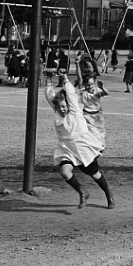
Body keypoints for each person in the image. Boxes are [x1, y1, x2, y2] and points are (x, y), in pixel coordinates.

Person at [45, 75, 114, 209]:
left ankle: (108, 194)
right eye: (59, 107)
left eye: (64, 106)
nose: (62, 109)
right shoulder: (58, 112)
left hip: (82, 146)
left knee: (94, 174)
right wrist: (48, 81)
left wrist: (65, 78)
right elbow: (50, 96)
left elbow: (70, 93)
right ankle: (82, 192)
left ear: (69, 104)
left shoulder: (75, 110)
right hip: (66, 149)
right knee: (65, 172)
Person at [77, 74, 109, 146]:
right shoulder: (83, 91)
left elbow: (106, 93)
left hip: (98, 116)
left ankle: (101, 147)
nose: (90, 86)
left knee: (101, 132)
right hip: (87, 116)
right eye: (88, 85)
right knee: (90, 134)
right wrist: (77, 64)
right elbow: (79, 77)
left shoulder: (97, 90)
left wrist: (102, 87)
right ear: (84, 84)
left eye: (92, 84)